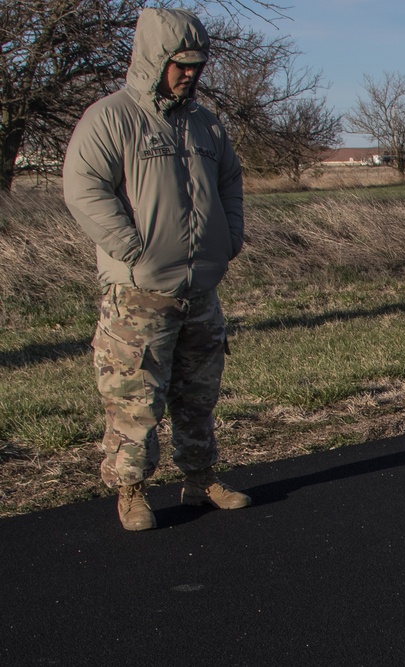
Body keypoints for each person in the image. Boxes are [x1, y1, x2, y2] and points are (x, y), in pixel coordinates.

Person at [63, 8, 250, 531]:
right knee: (134, 401)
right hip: (139, 294)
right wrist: (131, 248)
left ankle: (199, 479)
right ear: (154, 60)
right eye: (181, 64)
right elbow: (83, 188)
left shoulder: (206, 122)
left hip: (200, 291)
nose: (190, 73)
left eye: (198, 65)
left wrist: (229, 238)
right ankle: (131, 490)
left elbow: (230, 182)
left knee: (198, 395)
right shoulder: (112, 117)